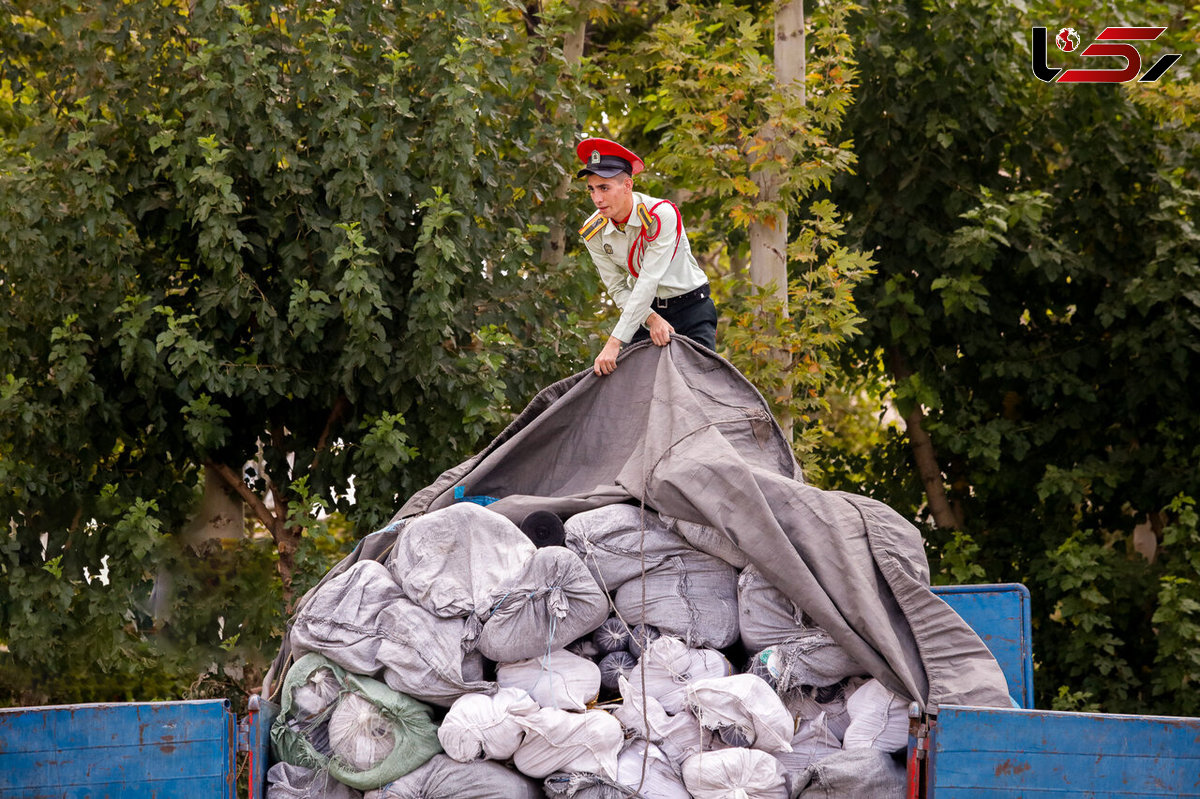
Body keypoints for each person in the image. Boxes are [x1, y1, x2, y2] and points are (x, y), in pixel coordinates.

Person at [575, 138, 717, 376]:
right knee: (633, 389)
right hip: (646, 313)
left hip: (691, 308)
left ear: (628, 185)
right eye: (591, 189)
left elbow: (648, 280)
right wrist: (651, 319)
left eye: (604, 188)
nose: (597, 199)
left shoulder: (660, 215)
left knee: (704, 388)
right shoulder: (593, 232)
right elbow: (618, 288)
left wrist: (614, 342)